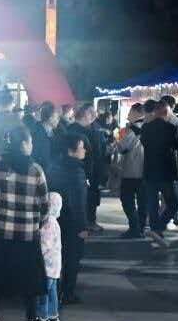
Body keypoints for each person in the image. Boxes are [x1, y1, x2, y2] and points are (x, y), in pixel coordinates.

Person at [0, 125, 50, 321]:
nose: (32, 145)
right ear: (24, 144)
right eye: (30, 141)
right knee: (30, 279)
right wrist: (38, 223)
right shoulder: (36, 170)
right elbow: (44, 205)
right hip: (27, 234)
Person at [50, 132, 89, 307]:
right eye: (81, 147)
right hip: (72, 222)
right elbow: (78, 202)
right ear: (71, 150)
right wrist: (82, 226)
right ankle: (67, 292)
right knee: (72, 258)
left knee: (56, 256)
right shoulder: (76, 171)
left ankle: (54, 291)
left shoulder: (54, 167)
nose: (85, 150)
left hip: (56, 219)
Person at [139, 99, 178, 244]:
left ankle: (155, 229)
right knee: (173, 203)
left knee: (152, 204)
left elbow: (144, 143)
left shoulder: (146, 127)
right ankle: (159, 227)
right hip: (166, 172)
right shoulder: (171, 128)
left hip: (149, 170)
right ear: (166, 112)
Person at [114, 104, 146, 239]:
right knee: (143, 201)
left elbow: (122, 147)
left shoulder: (131, 130)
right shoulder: (149, 127)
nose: (128, 115)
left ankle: (135, 228)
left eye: (130, 112)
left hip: (131, 170)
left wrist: (117, 139)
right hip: (146, 171)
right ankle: (141, 227)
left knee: (127, 200)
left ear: (137, 113)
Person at [75, 104, 108, 232]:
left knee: (92, 198)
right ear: (84, 114)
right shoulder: (77, 130)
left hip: (93, 170)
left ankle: (90, 221)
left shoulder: (94, 128)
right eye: (91, 112)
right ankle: (87, 223)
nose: (94, 115)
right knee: (86, 198)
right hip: (83, 170)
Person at [36, 192, 63, 321]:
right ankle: (53, 315)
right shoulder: (55, 221)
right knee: (52, 292)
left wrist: (36, 254)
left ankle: (43, 317)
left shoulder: (48, 222)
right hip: (55, 264)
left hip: (46, 264)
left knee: (43, 292)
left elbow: (45, 244)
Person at [28, 102, 57, 170]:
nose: (58, 120)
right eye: (56, 118)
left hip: (50, 170)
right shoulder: (36, 133)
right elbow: (36, 156)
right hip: (40, 171)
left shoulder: (53, 132)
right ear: (50, 118)